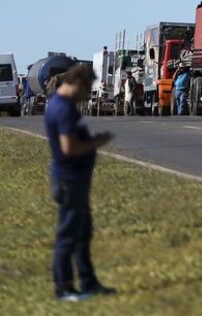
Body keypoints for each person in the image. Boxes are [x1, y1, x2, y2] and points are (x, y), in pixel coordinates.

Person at [44, 64, 116, 302]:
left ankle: (88, 282)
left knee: (82, 233)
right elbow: (69, 147)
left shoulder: (59, 105)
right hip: (70, 179)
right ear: (77, 83)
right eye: (86, 89)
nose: (87, 95)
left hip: (74, 178)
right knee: (68, 235)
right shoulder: (64, 109)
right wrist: (97, 142)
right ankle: (63, 288)